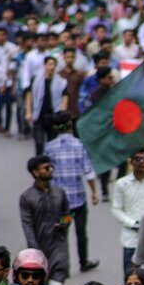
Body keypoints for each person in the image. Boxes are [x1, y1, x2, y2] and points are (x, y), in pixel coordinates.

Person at [43, 114, 99, 273]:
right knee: (81, 231)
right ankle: (83, 262)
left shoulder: (49, 147)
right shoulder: (79, 145)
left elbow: (46, 174)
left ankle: (63, 267)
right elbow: (88, 171)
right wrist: (94, 192)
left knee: (62, 233)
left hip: (60, 202)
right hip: (78, 201)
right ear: (70, 126)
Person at [18, 156, 71, 285]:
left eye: (51, 167)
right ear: (35, 173)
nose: (50, 170)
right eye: (46, 168)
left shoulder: (60, 192)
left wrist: (64, 222)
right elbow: (27, 225)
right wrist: (34, 251)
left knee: (57, 284)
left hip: (59, 246)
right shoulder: (27, 197)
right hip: (39, 248)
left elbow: (68, 214)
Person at [110, 149, 144, 273]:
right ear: (131, 161)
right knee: (130, 276)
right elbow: (116, 209)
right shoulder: (122, 183)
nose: (141, 162)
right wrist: (133, 223)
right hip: (131, 237)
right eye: (137, 158)